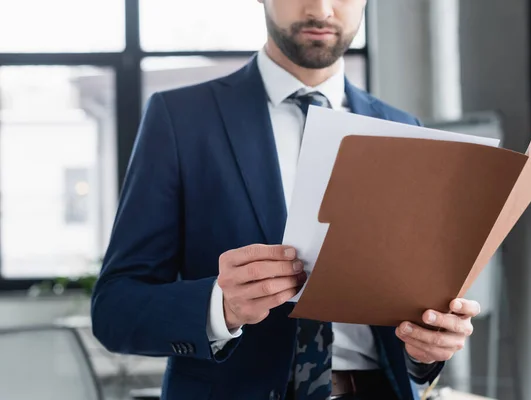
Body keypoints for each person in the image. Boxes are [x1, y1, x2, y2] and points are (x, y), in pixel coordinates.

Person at [91, 0, 481, 399]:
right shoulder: (181, 119)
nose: (323, 9)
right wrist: (220, 307)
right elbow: (114, 311)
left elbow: (410, 312)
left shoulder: (403, 129)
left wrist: (428, 348)